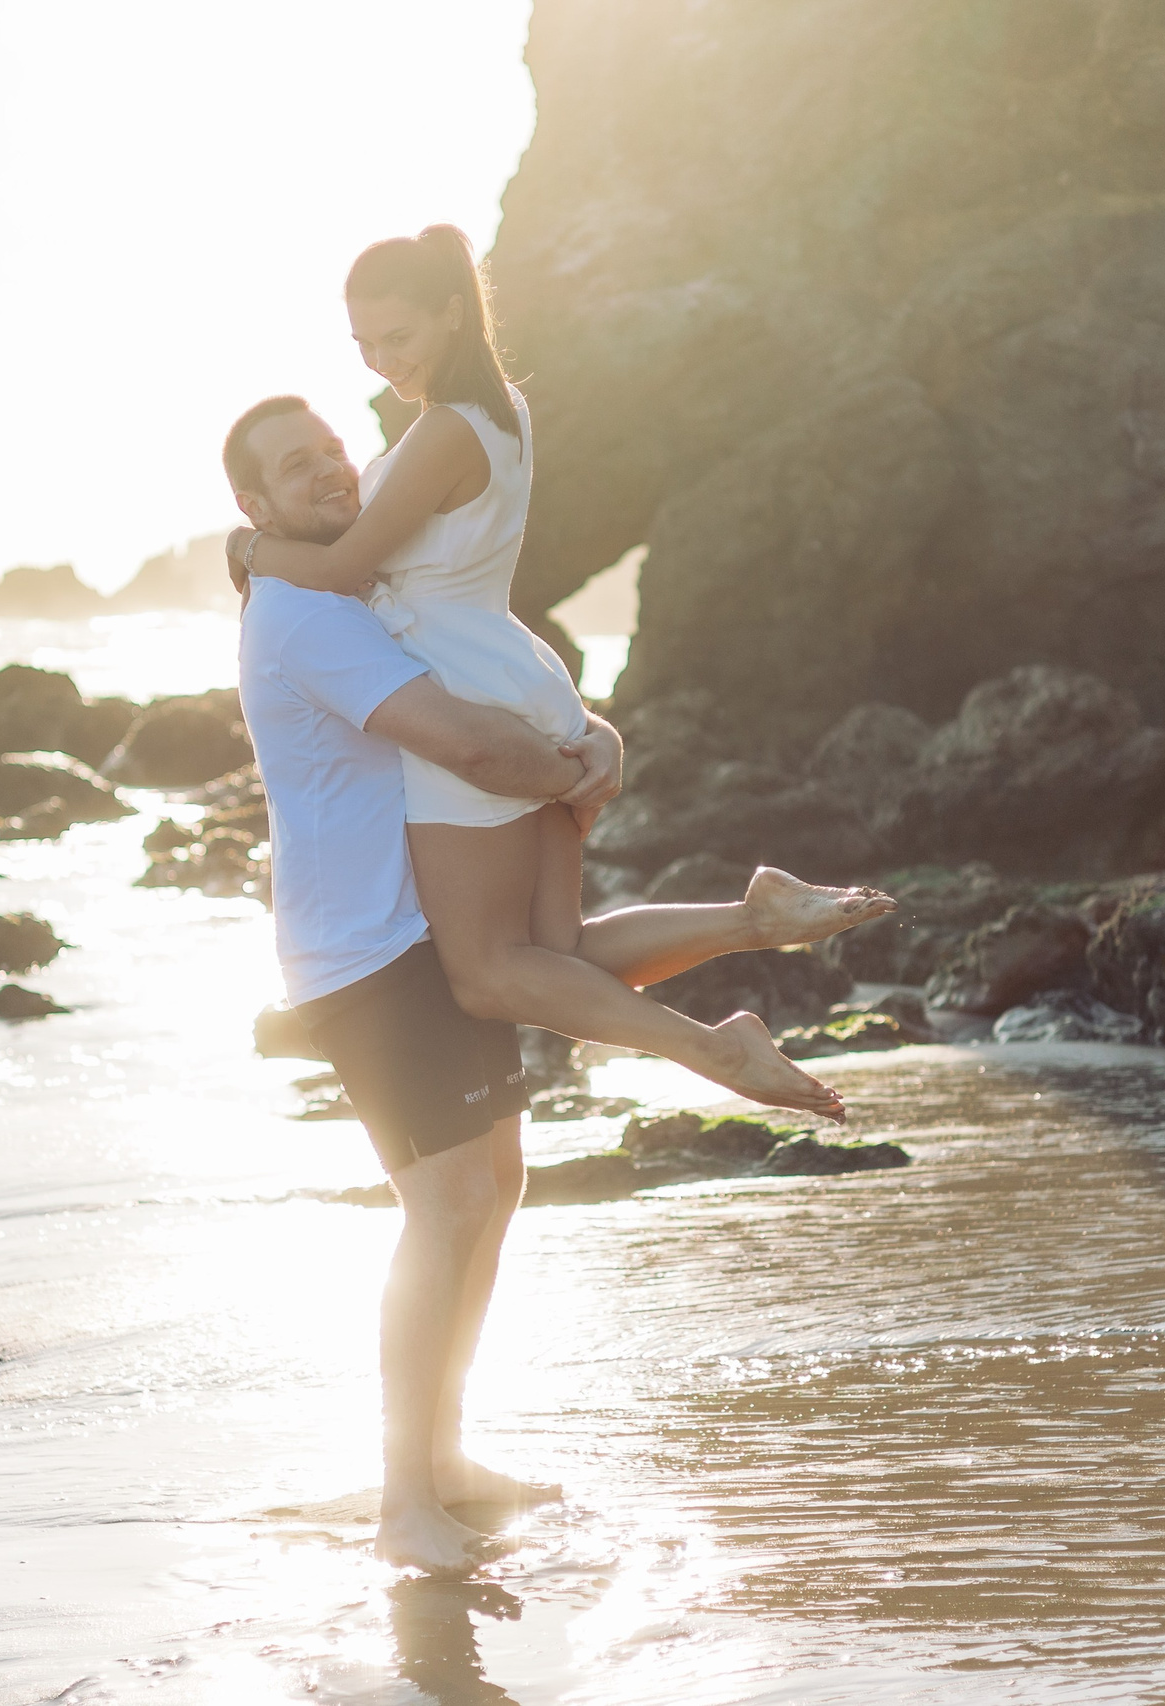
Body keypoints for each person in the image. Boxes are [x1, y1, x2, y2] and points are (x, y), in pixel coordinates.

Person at [226, 395, 893, 1574]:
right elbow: (468, 743)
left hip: (417, 928)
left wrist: (588, 746)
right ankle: (403, 1498)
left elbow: (467, 653)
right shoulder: (305, 615)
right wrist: (576, 766)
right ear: (258, 506)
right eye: (295, 468)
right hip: (361, 955)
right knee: (443, 1209)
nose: (327, 471)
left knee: (496, 1181)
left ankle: (443, 1461)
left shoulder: (345, 591)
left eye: (330, 448)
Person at [229, 228, 892, 1121]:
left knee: (487, 974)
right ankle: (755, 919)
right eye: (366, 347)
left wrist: (250, 548)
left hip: (468, 696)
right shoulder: (502, 412)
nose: (384, 361)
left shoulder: (443, 432)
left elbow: (347, 569)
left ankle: (713, 1048)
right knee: (557, 951)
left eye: (399, 337)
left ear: (452, 313)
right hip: (516, 677)